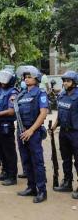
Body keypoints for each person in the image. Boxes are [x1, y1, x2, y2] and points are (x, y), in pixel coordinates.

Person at [15, 66, 48, 203]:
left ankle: (41, 190)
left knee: (37, 161)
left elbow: (43, 113)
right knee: (26, 160)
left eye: (29, 77)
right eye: (25, 77)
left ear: (36, 79)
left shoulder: (41, 93)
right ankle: (31, 187)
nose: (26, 79)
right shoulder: (21, 94)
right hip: (21, 131)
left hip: (32, 132)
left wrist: (31, 130)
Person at [51, 71, 78, 199]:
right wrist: (55, 125)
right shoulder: (61, 95)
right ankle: (67, 183)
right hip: (63, 133)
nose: (65, 83)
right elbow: (60, 113)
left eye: (68, 81)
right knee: (66, 159)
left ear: (74, 82)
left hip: (76, 133)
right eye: (64, 81)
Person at [0, 69, 19, 186]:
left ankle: (12, 176)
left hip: (6, 125)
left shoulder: (13, 92)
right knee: (1, 150)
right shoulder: (2, 91)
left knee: (9, 151)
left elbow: (11, 111)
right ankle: (4, 171)